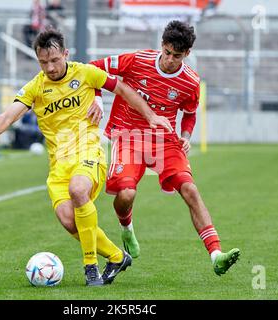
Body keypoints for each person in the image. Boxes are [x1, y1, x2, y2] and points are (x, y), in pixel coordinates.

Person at [0, 28, 173, 286]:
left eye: (55, 60)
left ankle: (90, 268)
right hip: (58, 166)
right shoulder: (36, 86)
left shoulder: (86, 73)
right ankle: (116, 256)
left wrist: (150, 115)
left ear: (65, 54)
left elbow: (122, 89)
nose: (50, 67)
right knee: (69, 222)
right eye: (43, 62)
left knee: (79, 190)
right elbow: (9, 115)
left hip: (88, 153)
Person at [88, 20, 240, 276]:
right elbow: (92, 70)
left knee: (190, 189)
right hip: (128, 135)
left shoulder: (190, 81)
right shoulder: (136, 61)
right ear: (162, 45)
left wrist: (186, 135)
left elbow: (190, 113)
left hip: (164, 140)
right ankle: (127, 229)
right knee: (126, 195)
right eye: (167, 52)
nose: (169, 59)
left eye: (176, 56)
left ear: (187, 54)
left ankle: (216, 254)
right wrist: (97, 101)